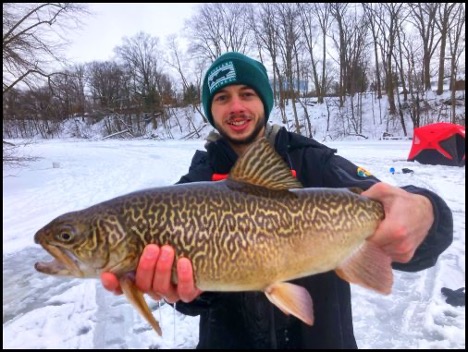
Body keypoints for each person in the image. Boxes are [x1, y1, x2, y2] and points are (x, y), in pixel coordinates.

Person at [101, 52, 453, 348]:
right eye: (222, 98)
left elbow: (402, 216)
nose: (236, 106)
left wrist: (426, 213)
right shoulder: (192, 185)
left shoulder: (315, 162)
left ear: (264, 101)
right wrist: (188, 293)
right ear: (211, 110)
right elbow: (190, 305)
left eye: (247, 94)